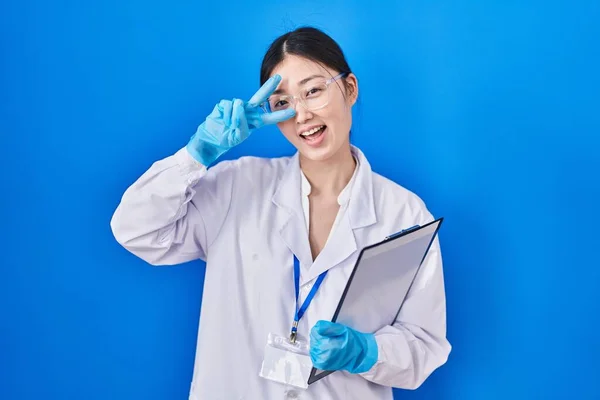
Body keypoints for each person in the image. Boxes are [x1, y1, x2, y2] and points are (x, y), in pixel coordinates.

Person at [110, 26, 451, 400]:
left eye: (314, 90)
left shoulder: (403, 214)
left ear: (350, 89)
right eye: (283, 103)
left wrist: (368, 351)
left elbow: (423, 345)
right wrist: (198, 153)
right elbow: (135, 229)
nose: (302, 114)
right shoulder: (236, 187)